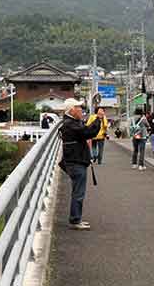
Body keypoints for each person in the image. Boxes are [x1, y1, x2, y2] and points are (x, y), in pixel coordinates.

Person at [59, 98, 102, 230]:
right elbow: (88, 132)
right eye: (79, 108)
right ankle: (75, 220)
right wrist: (98, 119)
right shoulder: (70, 124)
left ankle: (76, 219)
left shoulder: (70, 122)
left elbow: (86, 132)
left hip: (74, 161)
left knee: (78, 191)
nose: (81, 111)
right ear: (71, 110)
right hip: (75, 162)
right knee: (78, 192)